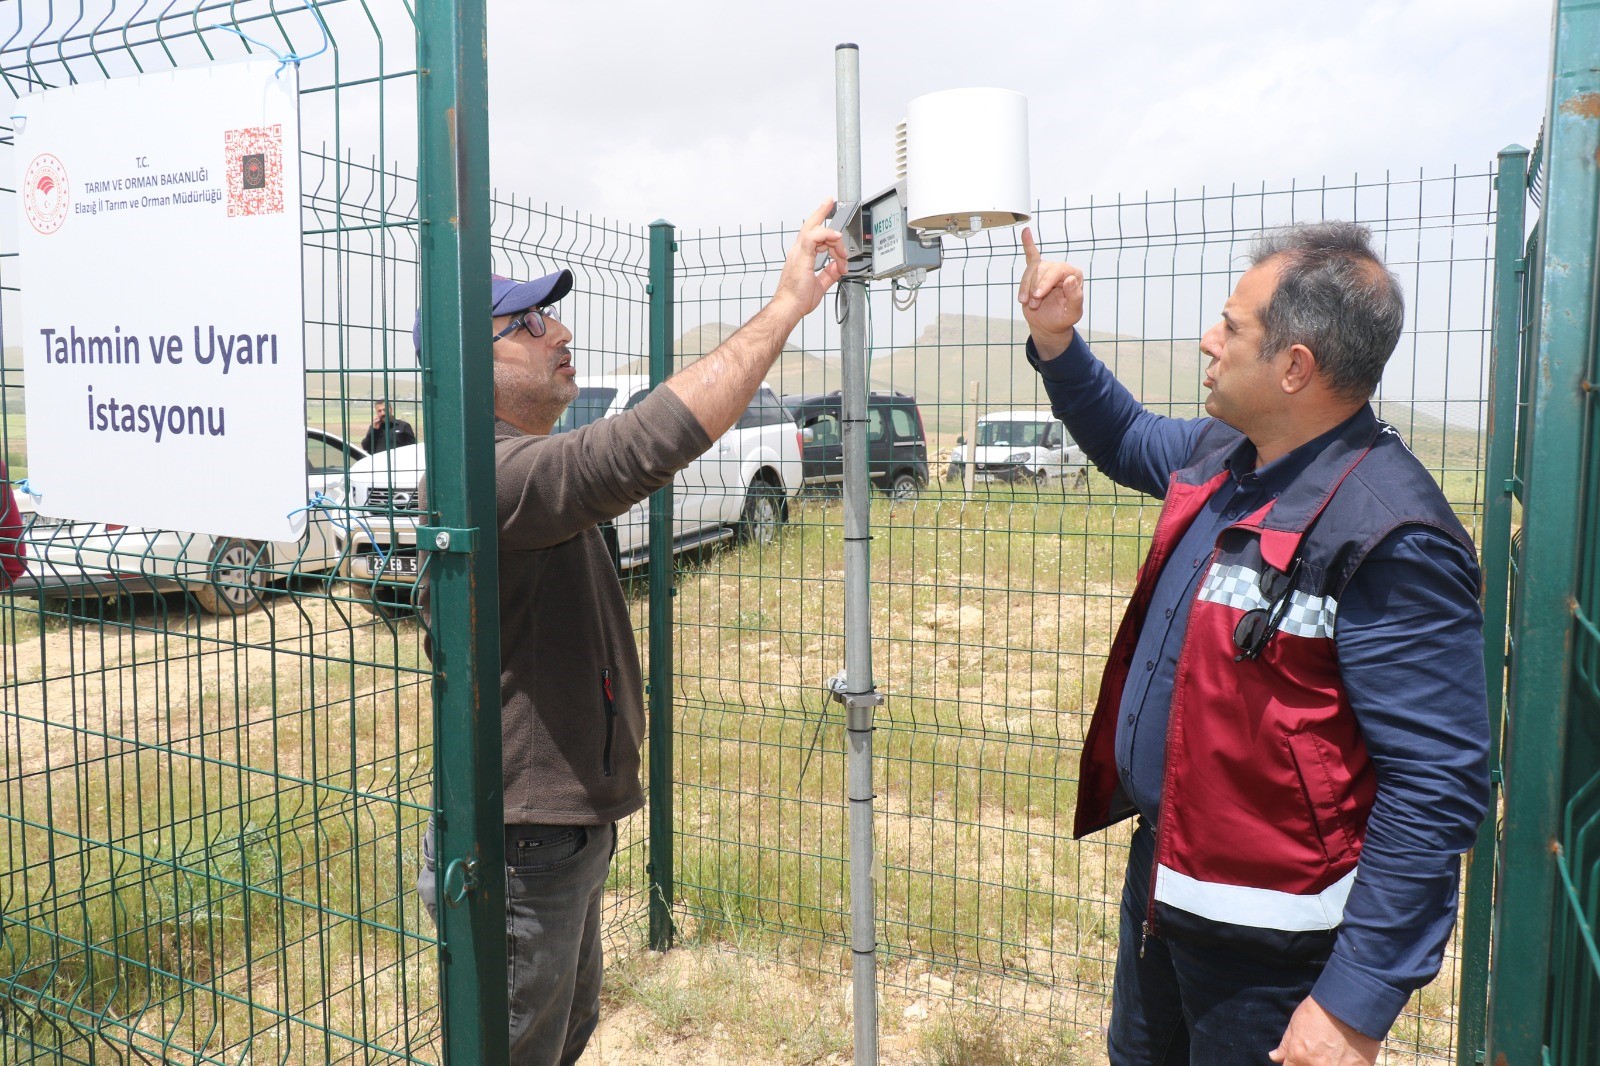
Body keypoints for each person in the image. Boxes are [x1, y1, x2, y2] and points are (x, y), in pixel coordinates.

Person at [1016, 222, 1490, 1066]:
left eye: (1230, 328)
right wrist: (1057, 345)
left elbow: (1435, 788)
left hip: (1275, 952)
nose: (1209, 339)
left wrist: (1352, 1006)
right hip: (1167, 886)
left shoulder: (1389, 533)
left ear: (1295, 366)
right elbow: (1124, 436)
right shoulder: (1226, 456)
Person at [415, 200, 847, 1064]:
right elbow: (643, 444)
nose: (558, 329)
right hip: (522, 847)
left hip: (553, 837)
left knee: (563, 1032)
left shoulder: (509, 466)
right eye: (528, 321)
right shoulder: (487, 480)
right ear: (471, 361)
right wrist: (788, 305)